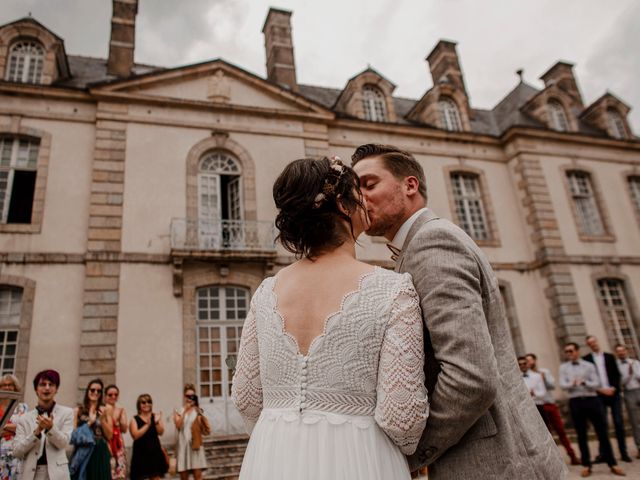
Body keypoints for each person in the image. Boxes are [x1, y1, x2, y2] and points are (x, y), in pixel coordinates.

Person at [351, 144, 565, 479]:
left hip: (496, 462)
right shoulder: (419, 245)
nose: (360, 197)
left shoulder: (431, 243)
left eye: (369, 184)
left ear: (410, 185)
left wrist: (416, 452)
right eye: (355, 189)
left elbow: (471, 378)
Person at [232, 157, 428, 480]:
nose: (364, 200)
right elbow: (402, 418)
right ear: (341, 203)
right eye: (358, 191)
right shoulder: (392, 289)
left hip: (274, 455)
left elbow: (246, 398)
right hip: (360, 456)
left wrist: (281, 430)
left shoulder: (266, 293)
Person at [559, 342, 625, 477]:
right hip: (576, 402)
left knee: (602, 433)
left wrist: (584, 383)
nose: (569, 354)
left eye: (571, 351)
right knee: (581, 435)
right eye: (567, 352)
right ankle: (586, 465)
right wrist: (572, 383)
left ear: (577, 351)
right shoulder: (563, 368)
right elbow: (563, 384)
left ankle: (612, 463)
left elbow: (596, 383)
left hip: (592, 400)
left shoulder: (589, 365)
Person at [13, 369, 74, 480]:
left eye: (51, 384)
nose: (47, 388)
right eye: (42, 384)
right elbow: (17, 452)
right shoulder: (24, 419)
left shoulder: (67, 413)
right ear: (36, 389)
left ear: (56, 389)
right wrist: (36, 433)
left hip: (58, 474)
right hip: (31, 474)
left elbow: (64, 444)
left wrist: (51, 428)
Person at [526, 353, 580, 465]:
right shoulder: (527, 376)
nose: (529, 362)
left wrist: (543, 378)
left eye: (530, 360)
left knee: (560, 430)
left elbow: (552, 386)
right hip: (537, 406)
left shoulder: (545, 372)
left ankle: (572, 456)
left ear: (535, 360)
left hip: (549, 404)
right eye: (527, 361)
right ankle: (552, 460)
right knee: (545, 434)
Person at [583, 335, 631, 462]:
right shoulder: (586, 360)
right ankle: (603, 454)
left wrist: (614, 388)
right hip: (598, 395)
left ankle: (623, 452)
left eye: (594, 342)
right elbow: (587, 379)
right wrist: (600, 390)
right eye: (590, 343)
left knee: (618, 423)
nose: (593, 344)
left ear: (597, 342)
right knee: (601, 425)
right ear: (588, 345)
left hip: (613, 394)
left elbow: (616, 375)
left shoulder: (610, 357)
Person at [71, 379, 113, 480]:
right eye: (92, 390)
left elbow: (109, 435)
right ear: (87, 391)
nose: (95, 393)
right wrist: (89, 423)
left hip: (100, 450)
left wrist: (102, 421)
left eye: (99, 391)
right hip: (83, 449)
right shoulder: (78, 410)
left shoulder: (106, 409)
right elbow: (73, 435)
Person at [129, 394, 167, 480]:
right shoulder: (134, 419)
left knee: (156, 477)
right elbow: (135, 435)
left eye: (149, 401)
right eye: (143, 402)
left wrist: (156, 422)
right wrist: (148, 424)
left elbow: (161, 432)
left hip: (155, 452)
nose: (146, 404)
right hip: (140, 453)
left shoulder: (155, 416)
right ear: (139, 405)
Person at [173, 384, 207, 480]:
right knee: (184, 476)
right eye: (187, 396)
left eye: (192, 396)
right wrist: (185, 411)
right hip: (183, 446)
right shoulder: (178, 410)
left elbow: (204, 428)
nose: (189, 398)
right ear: (184, 396)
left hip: (195, 445)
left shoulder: (198, 410)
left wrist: (197, 409)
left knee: (198, 476)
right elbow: (178, 425)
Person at [0, 374, 28, 480]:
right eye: (4, 385)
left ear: (15, 387)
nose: (7, 388)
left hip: (16, 453)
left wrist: (3, 427)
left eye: (10, 385)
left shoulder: (22, 407)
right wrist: (14, 429)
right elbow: (18, 427)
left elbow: (25, 428)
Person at [615, 344, 640, 459]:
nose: (621, 353)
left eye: (622, 350)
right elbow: (620, 383)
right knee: (635, 422)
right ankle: (639, 447)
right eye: (618, 351)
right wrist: (629, 374)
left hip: (639, 389)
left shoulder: (635, 362)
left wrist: (635, 372)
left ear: (626, 350)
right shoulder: (617, 366)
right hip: (628, 393)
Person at [104, 385, 127, 480]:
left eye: (116, 394)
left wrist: (121, 421)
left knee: (120, 474)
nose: (113, 397)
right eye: (110, 395)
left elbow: (125, 429)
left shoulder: (120, 410)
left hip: (118, 444)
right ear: (105, 396)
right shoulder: (102, 409)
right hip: (106, 443)